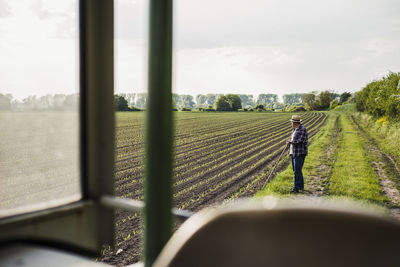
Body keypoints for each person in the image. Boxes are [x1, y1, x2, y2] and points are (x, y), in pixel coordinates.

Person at [286, 115, 308, 193]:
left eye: (291, 122)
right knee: (296, 170)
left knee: (297, 171)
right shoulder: (294, 129)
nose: (291, 123)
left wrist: (290, 142)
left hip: (300, 152)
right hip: (294, 152)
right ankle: (300, 186)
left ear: (295, 122)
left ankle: (296, 188)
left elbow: (300, 141)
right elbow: (294, 140)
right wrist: (289, 141)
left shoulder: (302, 129)